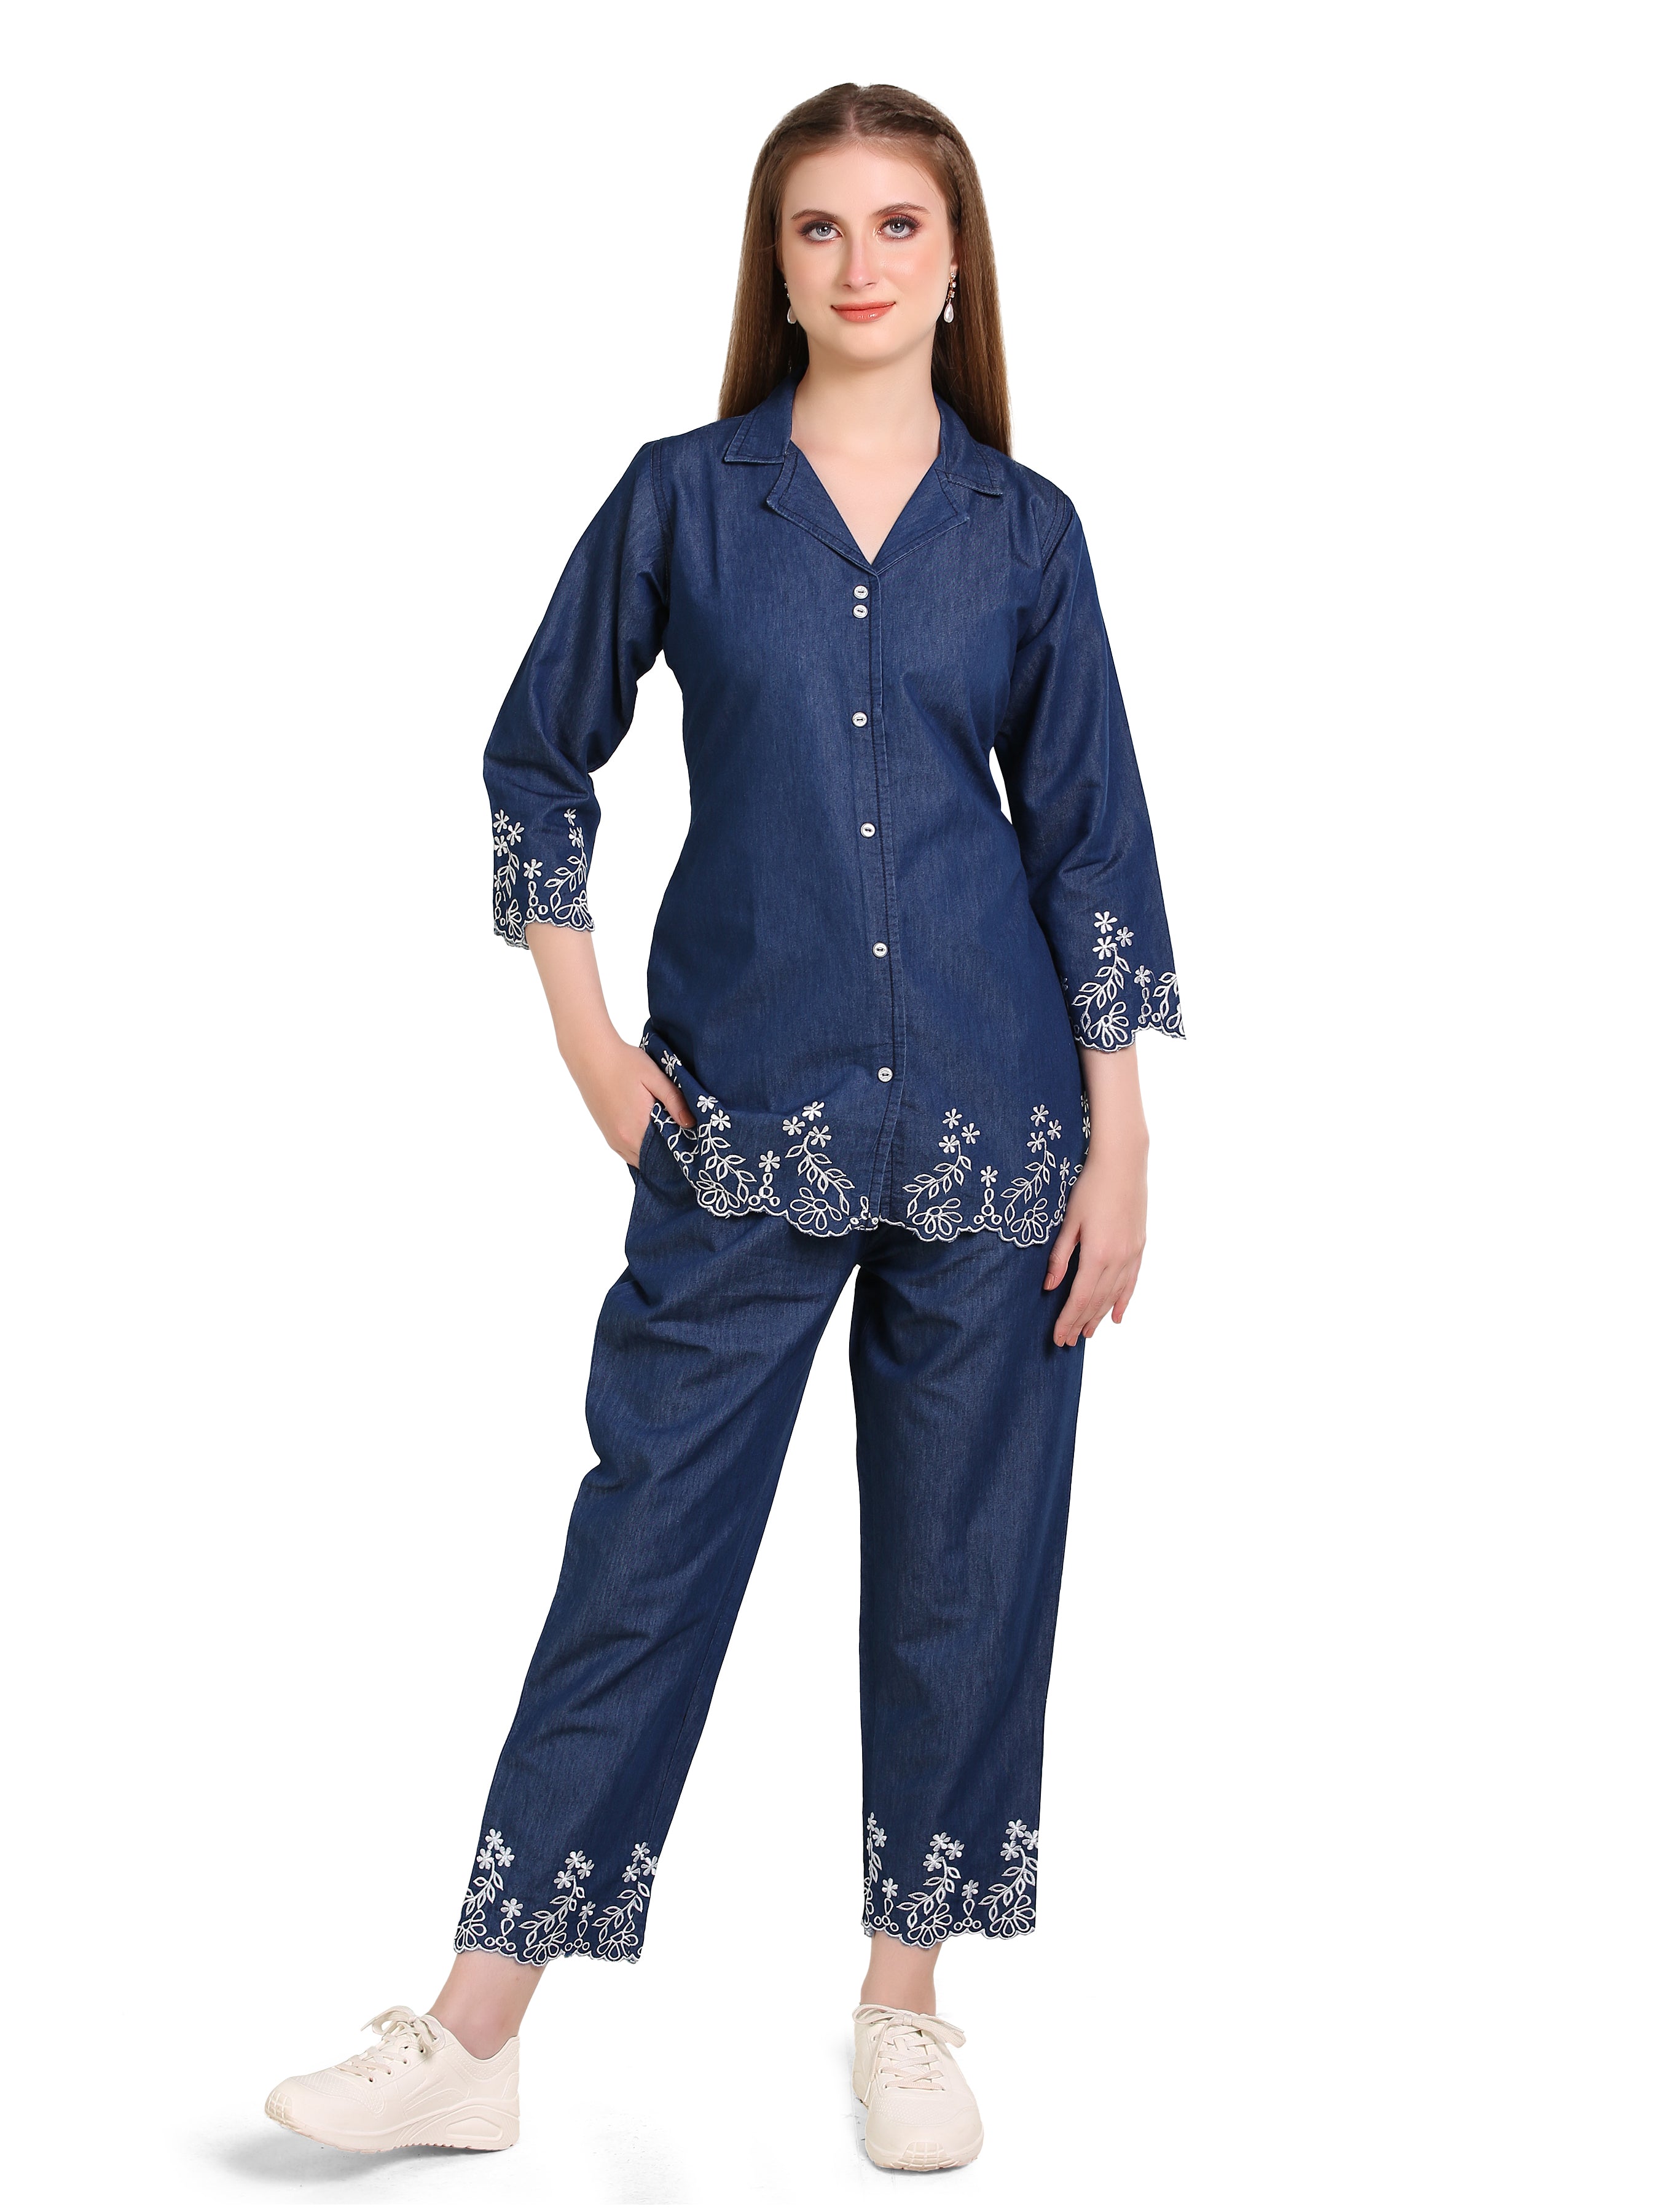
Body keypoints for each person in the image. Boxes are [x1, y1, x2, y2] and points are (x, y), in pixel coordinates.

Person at [265, 79, 1182, 2175]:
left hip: (999, 1133)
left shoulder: (1024, 534)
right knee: (646, 1543)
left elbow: (1089, 843)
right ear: (773, 265)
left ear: (956, 262)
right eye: (816, 229)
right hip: (742, 1120)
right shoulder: (683, 501)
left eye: (896, 225)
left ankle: (905, 2005)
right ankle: (476, 2028)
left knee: (962, 1566)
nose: (859, 264)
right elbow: (536, 757)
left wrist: (1122, 1140)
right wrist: (586, 1043)